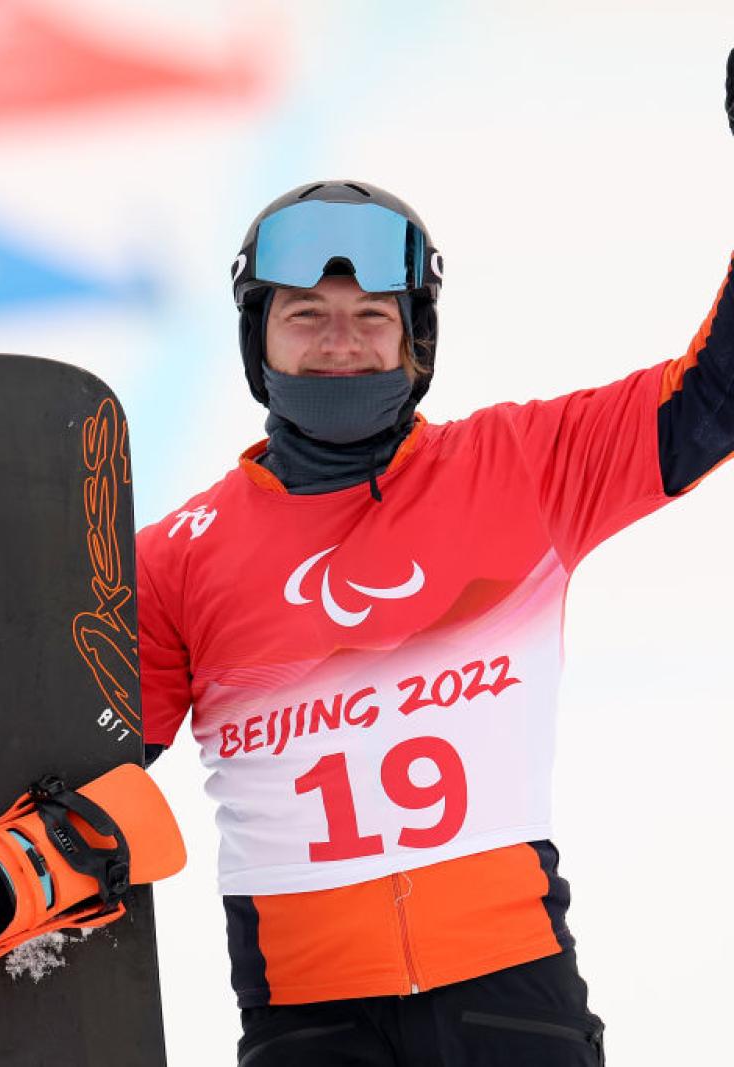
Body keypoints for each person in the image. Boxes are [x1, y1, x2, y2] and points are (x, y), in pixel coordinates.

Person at [135, 54, 734, 1067]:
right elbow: (79, 760)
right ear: (256, 342)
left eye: (372, 318)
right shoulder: (176, 559)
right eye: (305, 318)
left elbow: (712, 395)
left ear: (416, 342)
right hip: (309, 1022)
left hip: (514, 997)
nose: (340, 344)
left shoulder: (521, 467)